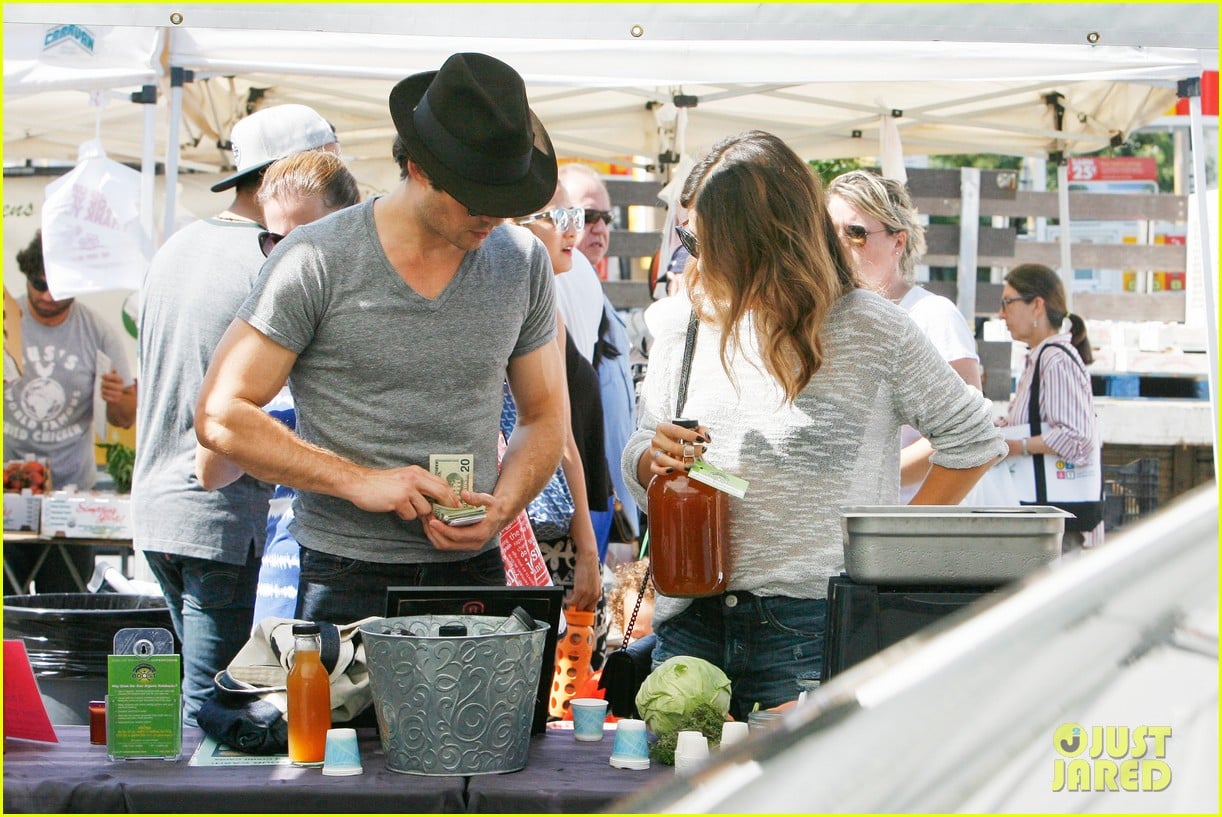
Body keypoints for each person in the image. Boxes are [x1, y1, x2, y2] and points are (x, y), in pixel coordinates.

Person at [621, 130, 1006, 719]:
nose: (695, 256)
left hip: (808, 626)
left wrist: (890, 554)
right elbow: (638, 452)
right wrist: (654, 456)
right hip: (690, 619)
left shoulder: (869, 328)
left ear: (765, 238)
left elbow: (974, 440)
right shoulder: (683, 324)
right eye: (688, 236)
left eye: (708, 240)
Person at [194, 52, 567, 626]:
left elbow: (544, 418)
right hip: (347, 574)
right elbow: (220, 415)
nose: (493, 216)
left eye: (507, 198)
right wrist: (359, 481)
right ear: (420, 168)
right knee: (346, 722)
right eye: (476, 196)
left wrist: (503, 511)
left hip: (474, 570)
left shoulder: (521, 260)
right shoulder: (317, 258)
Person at [132, 103, 340, 726]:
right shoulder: (272, 260)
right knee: (215, 722)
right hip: (224, 516)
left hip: (158, 509)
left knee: (198, 716)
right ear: (295, 173)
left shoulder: (178, 246)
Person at [194, 150, 362, 624]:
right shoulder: (268, 330)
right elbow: (210, 469)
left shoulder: (376, 321)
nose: (286, 258)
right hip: (285, 581)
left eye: (304, 239)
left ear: (350, 226)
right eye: (273, 240)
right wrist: (254, 397)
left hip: (365, 578)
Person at [826, 170, 1012, 505]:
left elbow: (968, 433)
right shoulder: (828, 317)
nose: (838, 244)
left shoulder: (932, 315)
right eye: (827, 232)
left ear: (898, 241)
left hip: (908, 521)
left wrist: (876, 486)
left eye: (855, 233)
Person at [504, 184, 607, 658]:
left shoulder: (543, 302)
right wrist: (586, 545)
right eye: (554, 216)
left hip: (530, 526)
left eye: (573, 214)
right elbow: (559, 436)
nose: (572, 228)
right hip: (523, 531)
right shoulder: (527, 303)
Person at [4, 230, 137, 592]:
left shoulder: (98, 332)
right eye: (38, 284)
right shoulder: (7, 321)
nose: (47, 296)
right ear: (26, 277)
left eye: (58, 288)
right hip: (8, 497)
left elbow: (125, 416)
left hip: (71, 500)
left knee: (63, 608)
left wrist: (116, 399)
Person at [557, 162, 641, 552]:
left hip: (606, 494)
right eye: (587, 216)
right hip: (570, 497)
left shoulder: (593, 290)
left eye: (606, 218)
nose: (599, 228)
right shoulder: (557, 281)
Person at [997, 263, 1104, 551]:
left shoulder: (1054, 360)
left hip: (1058, 531)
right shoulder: (1041, 358)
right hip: (1048, 524)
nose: (1001, 313)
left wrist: (1016, 445)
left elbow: (1077, 438)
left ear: (1037, 306)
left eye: (1008, 302)